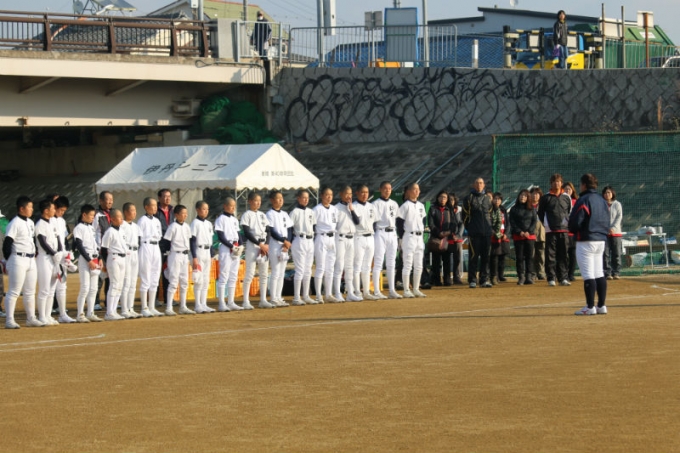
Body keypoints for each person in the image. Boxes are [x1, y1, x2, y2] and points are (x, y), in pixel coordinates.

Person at [569, 173, 610, 315]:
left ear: (584, 185)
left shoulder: (584, 199)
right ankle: (601, 305)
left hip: (586, 239)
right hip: (601, 239)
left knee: (588, 275)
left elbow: (575, 221)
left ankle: (590, 306)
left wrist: (571, 227)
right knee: (599, 273)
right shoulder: (602, 200)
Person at [2, 196, 40, 328]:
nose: (32, 209)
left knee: (30, 291)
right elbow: (7, 243)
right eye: (29, 207)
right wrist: (9, 260)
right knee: (14, 291)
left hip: (30, 259)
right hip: (18, 258)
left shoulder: (30, 222)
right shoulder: (14, 223)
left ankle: (31, 318)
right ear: (21, 208)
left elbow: (32, 240)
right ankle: (9, 320)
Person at [161, 205, 195, 316]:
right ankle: (169, 307)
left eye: (186, 213)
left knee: (184, 281)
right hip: (175, 255)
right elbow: (166, 242)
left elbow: (190, 241)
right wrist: (166, 257)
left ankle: (183, 306)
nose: (185, 215)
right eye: (183, 213)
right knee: (174, 281)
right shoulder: (172, 227)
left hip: (185, 255)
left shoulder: (187, 227)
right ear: (176, 215)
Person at [538, 174, 572, 287]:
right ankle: (551, 278)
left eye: (558, 181)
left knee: (563, 255)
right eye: (554, 181)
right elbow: (541, 213)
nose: (556, 183)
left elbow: (569, 212)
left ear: (561, 183)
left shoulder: (566, 197)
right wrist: (547, 225)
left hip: (564, 231)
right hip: (550, 231)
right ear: (551, 183)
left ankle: (563, 278)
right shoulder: (545, 198)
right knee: (550, 255)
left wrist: (566, 223)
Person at [240, 192, 272, 309]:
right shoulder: (246, 215)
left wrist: (266, 244)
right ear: (249, 201)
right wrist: (260, 245)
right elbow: (247, 232)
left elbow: (268, 231)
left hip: (264, 244)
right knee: (250, 273)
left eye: (259, 201)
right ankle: (245, 301)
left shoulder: (262, 215)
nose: (258, 203)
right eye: (255, 200)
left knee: (264, 273)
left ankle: (263, 300)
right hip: (253, 245)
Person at [34, 198, 62, 326]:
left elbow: (58, 239)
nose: (54, 210)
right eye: (52, 208)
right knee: (44, 289)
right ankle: (41, 316)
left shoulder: (52, 223)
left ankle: (48, 315)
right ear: (46, 211)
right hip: (45, 258)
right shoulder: (40, 224)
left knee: (52, 290)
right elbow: (42, 242)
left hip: (54, 258)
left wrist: (59, 252)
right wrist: (53, 253)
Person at [397, 182, 427, 298]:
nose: (417, 191)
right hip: (409, 236)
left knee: (419, 265)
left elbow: (423, 220)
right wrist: (402, 238)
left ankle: (416, 288)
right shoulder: (405, 206)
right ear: (408, 192)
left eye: (418, 189)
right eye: (414, 189)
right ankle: (406, 290)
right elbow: (400, 223)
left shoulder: (421, 206)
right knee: (408, 264)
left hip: (419, 237)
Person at [73, 204, 102, 322]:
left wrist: (100, 258)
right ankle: (80, 314)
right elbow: (79, 245)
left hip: (94, 258)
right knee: (85, 287)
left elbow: (96, 244)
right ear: (84, 214)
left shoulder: (91, 228)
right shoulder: (78, 228)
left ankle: (90, 313)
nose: (93, 218)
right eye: (91, 215)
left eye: (94, 216)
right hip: (86, 259)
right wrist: (89, 260)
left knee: (93, 288)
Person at [372, 181, 401, 299]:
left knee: (391, 262)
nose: (387, 190)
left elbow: (397, 220)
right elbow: (373, 221)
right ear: (380, 189)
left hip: (392, 233)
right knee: (378, 262)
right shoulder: (375, 204)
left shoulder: (394, 203)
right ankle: (376, 291)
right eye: (385, 188)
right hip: (380, 232)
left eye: (389, 188)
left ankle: (392, 290)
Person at [215, 197, 244, 312]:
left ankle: (231, 302)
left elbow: (238, 233)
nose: (233, 208)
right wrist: (231, 246)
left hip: (235, 247)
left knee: (233, 275)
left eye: (234, 206)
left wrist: (240, 245)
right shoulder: (220, 219)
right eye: (231, 206)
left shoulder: (234, 220)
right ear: (225, 206)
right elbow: (221, 236)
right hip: (226, 248)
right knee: (224, 275)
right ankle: (222, 303)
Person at [463, 178, 493, 288]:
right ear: (473, 185)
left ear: (484, 185)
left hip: (487, 233)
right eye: (477, 183)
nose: (479, 185)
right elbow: (465, 216)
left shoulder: (487, 199)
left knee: (486, 257)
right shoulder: (469, 198)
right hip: (474, 233)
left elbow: (490, 214)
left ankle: (484, 279)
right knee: (473, 257)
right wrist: (470, 228)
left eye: (481, 183)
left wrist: (490, 228)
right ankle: (472, 280)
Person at [290, 189, 318, 304]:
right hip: (299, 239)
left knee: (308, 270)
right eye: (304, 197)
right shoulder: (294, 212)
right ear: (298, 198)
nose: (306, 200)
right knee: (300, 270)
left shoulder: (311, 212)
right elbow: (290, 228)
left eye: (307, 198)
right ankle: (297, 297)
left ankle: (306, 295)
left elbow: (314, 227)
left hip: (310, 240)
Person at [52, 196, 77, 323]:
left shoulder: (62, 221)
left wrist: (68, 254)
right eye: (60, 210)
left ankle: (63, 314)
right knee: (50, 288)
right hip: (51, 256)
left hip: (62, 256)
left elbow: (64, 240)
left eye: (64, 211)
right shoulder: (49, 220)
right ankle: (46, 315)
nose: (62, 213)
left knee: (62, 286)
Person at [138, 197, 164, 317]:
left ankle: (152, 306)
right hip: (146, 246)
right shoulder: (142, 220)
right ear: (146, 207)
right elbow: (139, 237)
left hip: (155, 247)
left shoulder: (157, 221)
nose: (155, 208)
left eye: (156, 205)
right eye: (152, 205)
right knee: (146, 277)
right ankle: (144, 307)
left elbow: (159, 235)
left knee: (155, 276)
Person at [334, 186, 361, 302]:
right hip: (340, 238)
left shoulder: (352, 207)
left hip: (351, 239)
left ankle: (350, 293)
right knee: (339, 266)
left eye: (350, 193)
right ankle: (337, 293)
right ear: (341, 194)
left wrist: (352, 210)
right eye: (346, 193)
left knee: (349, 267)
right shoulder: (336, 208)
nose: (349, 196)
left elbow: (357, 222)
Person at [266, 190, 293, 307]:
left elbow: (290, 229)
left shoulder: (285, 214)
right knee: (276, 271)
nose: (281, 200)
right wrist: (284, 241)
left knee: (282, 273)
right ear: (272, 200)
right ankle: (273, 298)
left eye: (282, 198)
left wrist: (288, 242)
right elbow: (272, 231)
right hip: (275, 244)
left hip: (284, 245)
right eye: (278, 198)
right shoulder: (269, 214)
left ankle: (278, 296)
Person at [313, 187, 340, 302]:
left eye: (331, 195)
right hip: (321, 237)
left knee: (330, 268)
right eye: (327, 195)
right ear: (322, 196)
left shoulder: (334, 209)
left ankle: (328, 294)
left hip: (332, 238)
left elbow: (336, 224)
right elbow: (313, 225)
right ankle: (318, 295)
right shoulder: (316, 209)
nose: (329, 197)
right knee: (320, 267)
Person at [100, 209, 128, 321]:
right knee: (114, 284)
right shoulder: (109, 232)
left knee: (120, 285)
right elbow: (103, 248)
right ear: (112, 219)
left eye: (122, 216)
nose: (121, 219)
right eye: (119, 217)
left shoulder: (122, 230)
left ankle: (114, 310)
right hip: (114, 258)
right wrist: (105, 263)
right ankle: (109, 312)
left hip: (122, 258)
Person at [190, 200, 216, 313]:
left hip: (207, 251)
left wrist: (212, 255)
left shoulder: (209, 224)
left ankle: (204, 303)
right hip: (199, 251)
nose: (206, 211)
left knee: (206, 279)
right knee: (199, 279)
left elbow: (210, 241)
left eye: (207, 209)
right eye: (203, 209)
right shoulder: (195, 223)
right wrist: (194, 257)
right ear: (198, 210)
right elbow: (192, 240)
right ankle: (197, 305)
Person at [352, 184, 377, 300]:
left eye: (366, 192)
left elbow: (374, 223)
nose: (365, 194)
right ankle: (357, 292)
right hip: (358, 237)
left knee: (367, 266)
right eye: (362, 192)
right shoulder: (353, 206)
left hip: (370, 237)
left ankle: (366, 291)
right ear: (357, 193)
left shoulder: (371, 206)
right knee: (357, 266)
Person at [509, 190, 537, 285]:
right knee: (519, 257)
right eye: (521, 195)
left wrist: (528, 231)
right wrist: (519, 232)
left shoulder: (532, 209)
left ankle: (529, 276)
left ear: (528, 198)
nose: (522, 197)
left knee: (529, 257)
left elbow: (534, 221)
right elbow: (512, 222)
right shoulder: (514, 209)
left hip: (530, 236)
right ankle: (521, 276)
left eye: (525, 196)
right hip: (518, 236)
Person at [120, 202, 141, 319]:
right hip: (126, 253)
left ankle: (130, 308)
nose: (134, 213)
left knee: (133, 282)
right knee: (126, 282)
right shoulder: (122, 225)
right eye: (132, 210)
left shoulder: (136, 226)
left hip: (135, 253)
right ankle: (124, 309)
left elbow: (139, 240)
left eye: (135, 210)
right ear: (126, 212)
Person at [428, 190, 452, 286]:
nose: (442, 199)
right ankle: (437, 280)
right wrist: (438, 233)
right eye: (441, 197)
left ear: (447, 199)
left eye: (445, 197)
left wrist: (448, 232)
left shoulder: (449, 210)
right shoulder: (433, 209)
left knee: (447, 260)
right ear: (437, 198)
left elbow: (453, 223)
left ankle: (447, 279)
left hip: (447, 238)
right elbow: (431, 223)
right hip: (436, 238)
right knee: (436, 261)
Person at [94, 190, 113, 311]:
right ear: (101, 201)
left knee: (111, 277)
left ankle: (108, 301)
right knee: (99, 277)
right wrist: (98, 252)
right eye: (107, 199)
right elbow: (94, 233)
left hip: (111, 251)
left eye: (111, 199)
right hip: (101, 250)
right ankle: (96, 302)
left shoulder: (114, 213)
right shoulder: (96, 215)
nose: (110, 202)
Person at [155, 189, 174, 306]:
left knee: (168, 271)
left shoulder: (172, 210)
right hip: (158, 244)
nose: (168, 199)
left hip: (170, 244)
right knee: (156, 272)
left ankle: (168, 298)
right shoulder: (155, 210)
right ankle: (156, 299)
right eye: (165, 196)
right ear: (159, 198)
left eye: (169, 196)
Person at [602, 185, 623, 280]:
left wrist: (613, 228)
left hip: (616, 233)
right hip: (604, 233)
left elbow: (619, 217)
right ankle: (607, 273)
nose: (607, 194)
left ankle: (616, 272)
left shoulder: (617, 204)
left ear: (612, 194)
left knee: (616, 253)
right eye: (605, 193)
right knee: (605, 254)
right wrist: (606, 228)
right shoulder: (601, 204)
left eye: (609, 192)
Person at [490, 192, 511, 284]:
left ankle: (501, 275)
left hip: (503, 236)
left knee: (502, 256)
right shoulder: (490, 210)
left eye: (499, 199)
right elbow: (489, 224)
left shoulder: (503, 210)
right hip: (494, 236)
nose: (497, 201)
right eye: (495, 198)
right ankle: (494, 276)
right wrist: (495, 233)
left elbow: (508, 224)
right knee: (494, 257)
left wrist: (506, 234)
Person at [447, 193, 465, 285]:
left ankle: (456, 277)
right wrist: (449, 234)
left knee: (457, 259)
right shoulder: (445, 210)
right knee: (446, 259)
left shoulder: (459, 210)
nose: (451, 201)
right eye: (449, 200)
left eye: (452, 200)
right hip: (446, 238)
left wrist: (458, 235)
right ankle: (446, 277)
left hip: (457, 239)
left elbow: (461, 223)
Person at [563, 182, 579, 281]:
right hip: (563, 231)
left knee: (573, 254)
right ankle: (563, 274)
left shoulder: (576, 202)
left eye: (569, 189)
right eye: (566, 189)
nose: (567, 191)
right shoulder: (560, 201)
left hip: (573, 232)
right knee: (563, 255)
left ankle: (571, 274)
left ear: (573, 190)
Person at [530, 187, 546, 281]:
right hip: (530, 233)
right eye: (533, 193)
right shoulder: (527, 205)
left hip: (542, 232)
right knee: (531, 254)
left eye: (537, 194)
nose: (535, 196)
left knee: (541, 254)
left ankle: (541, 272)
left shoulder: (543, 205)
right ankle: (532, 273)